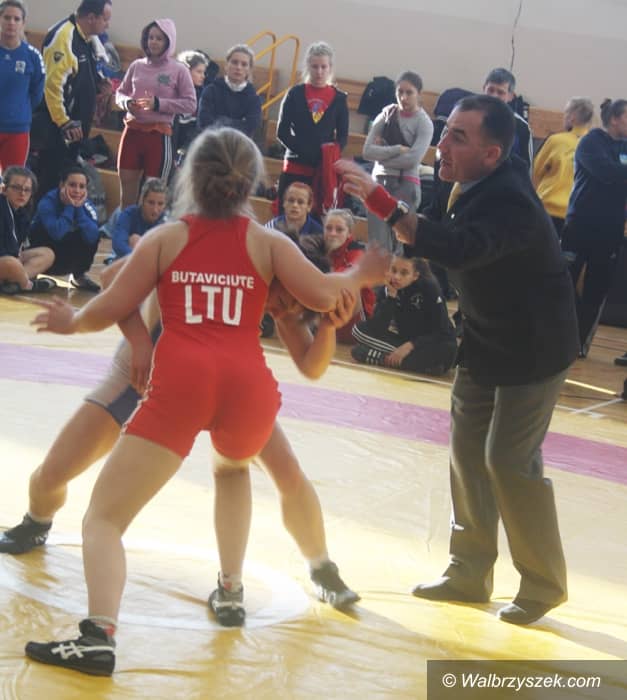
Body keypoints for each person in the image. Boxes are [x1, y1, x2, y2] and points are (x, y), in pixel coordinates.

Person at [23, 126, 386, 675]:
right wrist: (358, 273)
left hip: (183, 382)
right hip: (246, 387)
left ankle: (98, 636)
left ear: (190, 177)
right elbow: (321, 294)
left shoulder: (169, 237)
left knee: (104, 518)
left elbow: (111, 300)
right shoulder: (268, 242)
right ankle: (234, 585)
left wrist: (72, 321)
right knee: (234, 470)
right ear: (253, 184)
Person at [337, 94, 579, 626]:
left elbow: (458, 248)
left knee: (508, 460)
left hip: (536, 347)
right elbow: (448, 240)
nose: (442, 144)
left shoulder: (511, 199)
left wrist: (382, 201)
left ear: (492, 154)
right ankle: (469, 572)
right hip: (487, 336)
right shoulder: (471, 178)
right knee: (467, 452)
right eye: (445, 131)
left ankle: (543, 584)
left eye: (458, 137)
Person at [560, 98, 627, 358]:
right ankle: (558, 335)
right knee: (564, 280)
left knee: (597, 288)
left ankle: (579, 343)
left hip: (611, 230)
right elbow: (606, 172)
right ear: (615, 119)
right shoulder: (591, 142)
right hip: (580, 224)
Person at [29, 0, 112, 200]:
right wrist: (64, 122)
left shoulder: (87, 38)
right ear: (91, 18)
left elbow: (82, 72)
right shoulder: (63, 37)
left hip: (76, 128)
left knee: (64, 181)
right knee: (49, 181)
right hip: (57, 128)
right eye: (105, 19)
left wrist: (99, 83)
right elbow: (52, 86)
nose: (108, 25)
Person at [115, 18, 196, 209]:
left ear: (169, 41)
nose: (153, 42)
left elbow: (191, 104)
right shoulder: (136, 65)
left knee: (155, 193)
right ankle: (126, 224)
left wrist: (158, 104)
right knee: (127, 188)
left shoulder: (179, 70)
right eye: (150, 37)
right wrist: (127, 103)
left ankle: (152, 226)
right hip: (132, 131)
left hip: (159, 135)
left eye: (159, 38)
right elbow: (120, 93)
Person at [362, 71, 434, 253]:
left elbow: (412, 160)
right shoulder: (387, 114)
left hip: (406, 185)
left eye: (409, 92)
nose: (403, 97)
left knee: (400, 244)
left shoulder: (424, 123)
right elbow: (367, 152)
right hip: (379, 182)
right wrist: (396, 149)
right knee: (378, 245)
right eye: (400, 92)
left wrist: (382, 156)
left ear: (419, 94)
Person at [351, 255, 457, 374]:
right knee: (358, 330)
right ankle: (419, 365)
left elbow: (441, 331)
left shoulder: (429, 287)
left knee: (447, 351)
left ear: (415, 276)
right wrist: (391, 296)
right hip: (405, 340)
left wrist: (409, 346)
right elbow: (377, 329)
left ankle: (382, 359)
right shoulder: (387, 288)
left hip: (432, 343)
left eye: (404, 273)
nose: (396, 277)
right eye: (394, 270)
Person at [276, 41, 348, 214]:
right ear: (308, 66)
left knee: (315, 218)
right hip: (294, 165)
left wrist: (327, 155)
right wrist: (305, 151)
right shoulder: (294, 94)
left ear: (330, 68)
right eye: (315, 66)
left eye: (323, 67)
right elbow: (282, 132)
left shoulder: (339, 99)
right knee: (287, 216)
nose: (319, 72)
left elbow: (342, 137)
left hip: (321, 170)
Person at [29, 164, 101, 291]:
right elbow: (57, 233)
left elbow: (92, 237)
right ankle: (32, 273)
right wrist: (70, 207)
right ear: (62, 185)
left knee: (92, 233)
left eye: (82, 186)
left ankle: (78, 275)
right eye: (72, 185)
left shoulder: (87, 205)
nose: (77, 191)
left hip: (65, 259)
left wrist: (78, 208)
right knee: (46, 230)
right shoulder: (47, 201)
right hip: (45, 255)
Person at [532, 97, 594, 237]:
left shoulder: (556, 140)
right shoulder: (595, 147)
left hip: (548, 209)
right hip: (578, 214)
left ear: (572, 117)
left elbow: (536, 172)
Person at [0, 0, 44, 172]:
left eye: (16, 19)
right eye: (7, 17)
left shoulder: (33, 56)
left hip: (17, 130)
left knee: (13, 180)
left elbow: (36, 93)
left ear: (23, 23)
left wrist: (19, 109)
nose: (11, 22)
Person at [0, 165, 56, 293]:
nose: (22, 193)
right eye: (16, 188)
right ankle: (28, 285)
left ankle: (14, 282)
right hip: (6, 259)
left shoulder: (22, 213)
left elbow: (18, 247)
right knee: (11, 263)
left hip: (9, 258)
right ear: (4, 189)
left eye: (27, 190)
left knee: (47, 254)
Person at [197, 44, 262, 138]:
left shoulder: (254, 99)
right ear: (226, 65)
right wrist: (239, 123)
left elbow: (249, 128)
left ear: (249, 70)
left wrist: (220, 120)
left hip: (239, 144)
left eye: (244, 64)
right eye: (234, 62)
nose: (238, 67)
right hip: (212, 142)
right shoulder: (211, 91)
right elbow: (204, 122)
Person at [483, 67, 533, 169]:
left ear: (511, 96)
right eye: (490, 90)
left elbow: (526, 167)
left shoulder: (521, 126)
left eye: (500, 92)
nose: (494, 96)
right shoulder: (468, 116)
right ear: (484, 88)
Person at [111, 177, 167, 260]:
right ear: (142, 200)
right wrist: (140, 258)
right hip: (132, 259)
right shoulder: (129, 214)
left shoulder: (167, 222)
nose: (155, 210)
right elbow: (118, 243)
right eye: (151, 203)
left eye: (160, 204)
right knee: (135, 239)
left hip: (152, 262)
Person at [173, 49, 209, 158]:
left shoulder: (202, 96)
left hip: (188, 147)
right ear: (186, 71)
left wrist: (186, 148)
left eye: (204, 72)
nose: (203, 76)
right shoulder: (171, 92)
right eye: (199, 72)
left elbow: (198, 128)